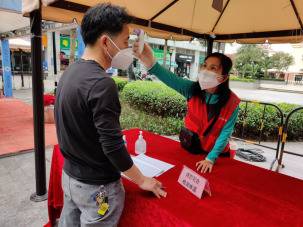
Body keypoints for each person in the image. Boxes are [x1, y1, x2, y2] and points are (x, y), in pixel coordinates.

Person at [55, 4, 166, 227]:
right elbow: (113, 146)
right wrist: (142, 179)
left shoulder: (70, 73)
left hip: (70, 177)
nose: (128, 49)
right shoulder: (102, 83)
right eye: (125, 42)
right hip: (98, 188)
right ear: (106, 42)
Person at [133, 43, 240, 174]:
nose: (206, 70)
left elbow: (225, 134)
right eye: (204, 65)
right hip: (191, 149)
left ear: (223, 78)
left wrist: (211, 159)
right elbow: (169, 78)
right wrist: (150, 62)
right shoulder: (191, 89)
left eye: (213, 68)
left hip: (216, 157)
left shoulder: (232, 102)